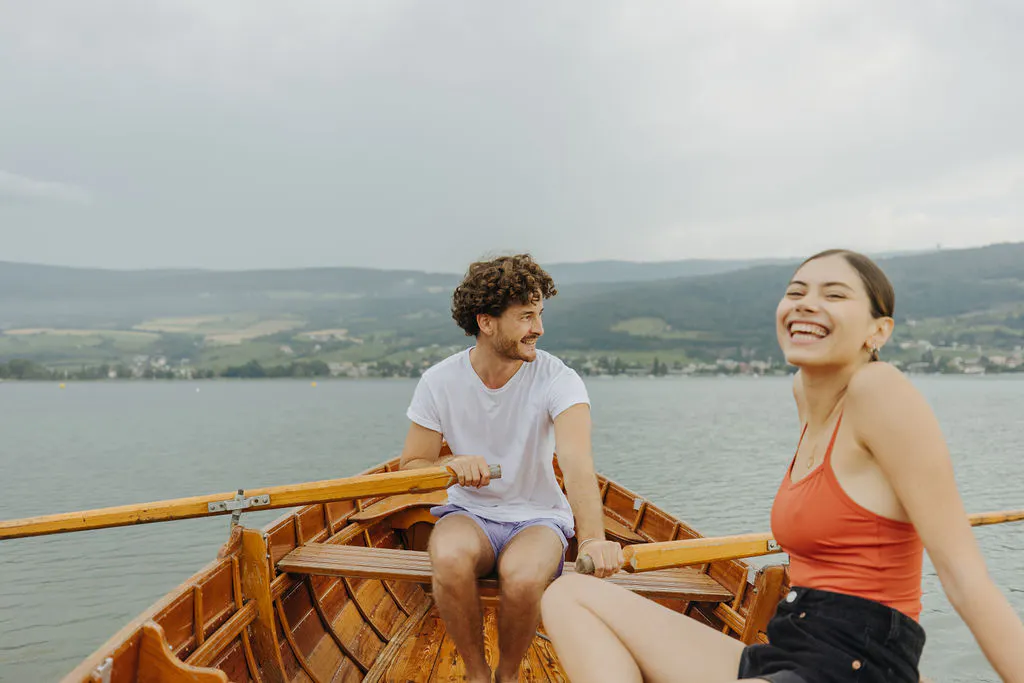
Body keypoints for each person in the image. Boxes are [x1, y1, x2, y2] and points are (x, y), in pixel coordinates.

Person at [540, 249, 1024, 682]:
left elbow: (965, 580)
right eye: (796, 292)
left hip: (856, 664)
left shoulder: (879, 390)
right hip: (788, 647)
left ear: (879, 331)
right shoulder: (808, 397)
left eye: (834, 294)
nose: (807, 303)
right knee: (568, 596)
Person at [399, 253, 623, 683]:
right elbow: (412, 467)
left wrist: (593, 539)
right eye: (526, 316)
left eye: (539, 314)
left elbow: (577, 464)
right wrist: (451, 463)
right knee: (447, 556)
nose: (539, 328)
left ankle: (506, 675)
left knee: (521, 577)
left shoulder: (559, 379)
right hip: (469, 512)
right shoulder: (439, 381)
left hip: (538, 518)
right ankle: (476, 674)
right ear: (486, 322)